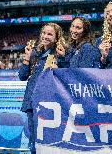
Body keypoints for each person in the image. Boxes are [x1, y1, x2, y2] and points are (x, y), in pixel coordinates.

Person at [18, 22, 65, 154]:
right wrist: (27, 58)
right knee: (34, 141)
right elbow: (22, 76)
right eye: (44, 33)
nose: (45, 36)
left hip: (50, 104)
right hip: (32, 102)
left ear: (56, 38)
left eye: (49, 34)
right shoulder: (34, 53)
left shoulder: (59, 54)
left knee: (49, 141)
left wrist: (61, 63)